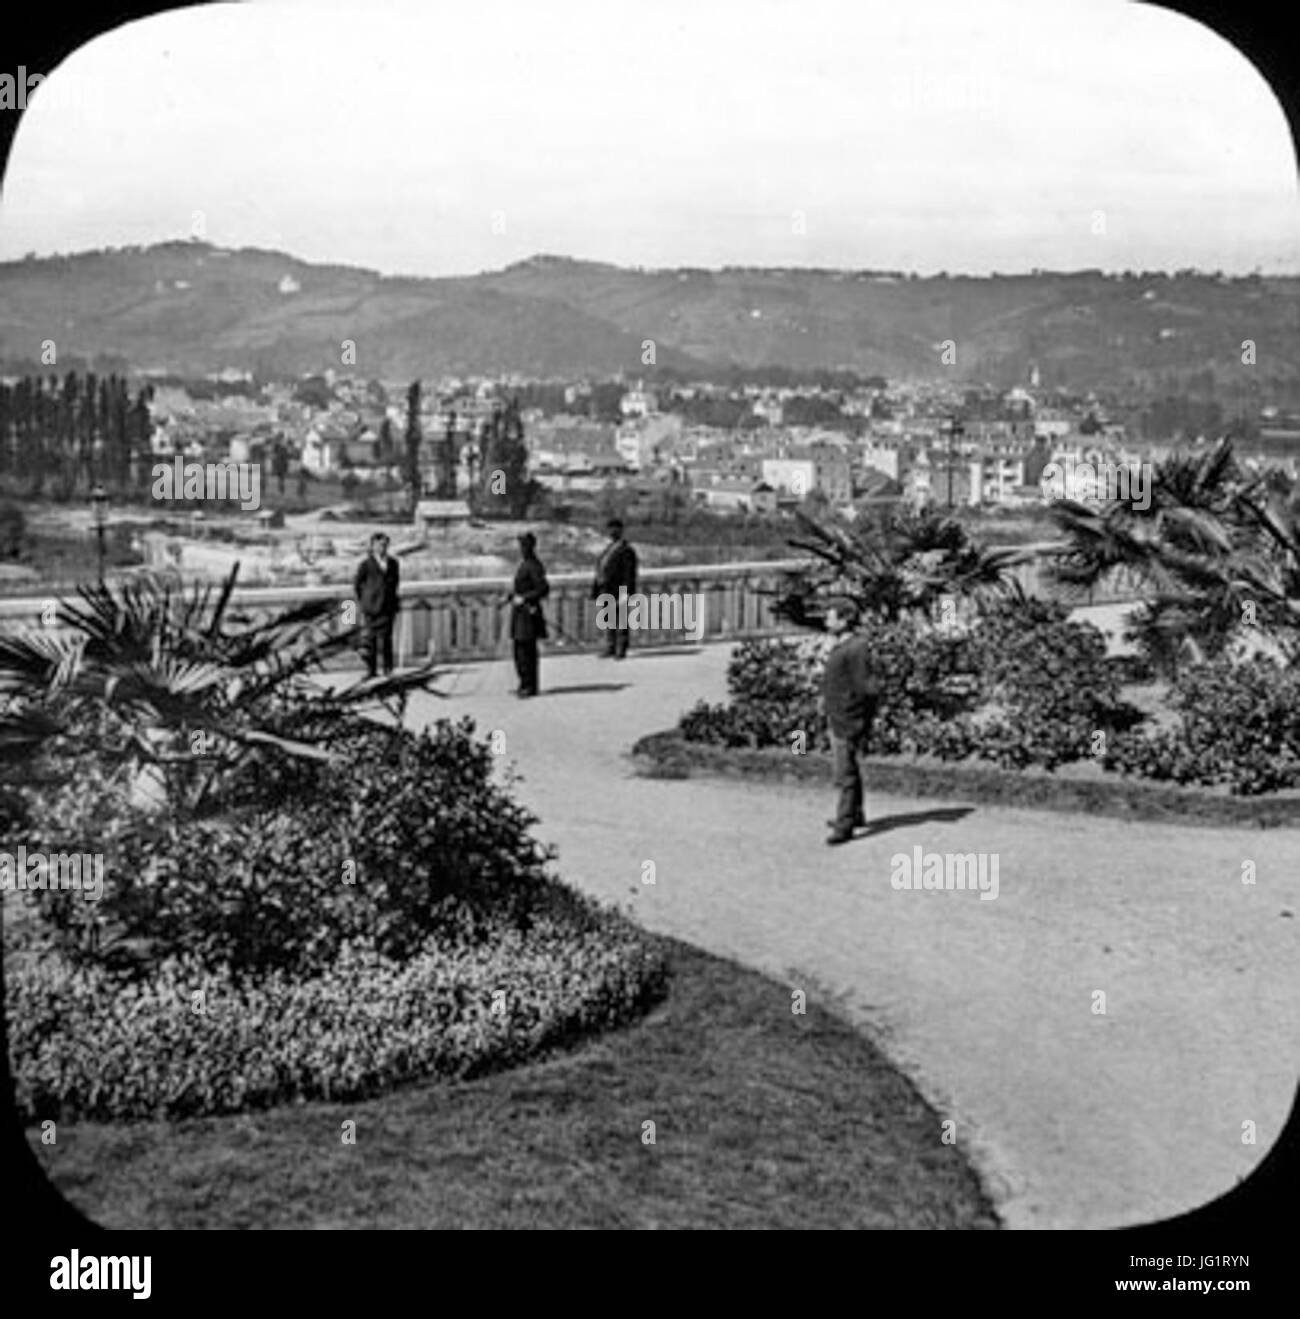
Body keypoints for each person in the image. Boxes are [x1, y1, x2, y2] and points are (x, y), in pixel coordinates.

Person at [821, 596, 881, 845]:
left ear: (845, 620)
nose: (826, 620)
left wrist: (859, 717)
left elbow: (867, 687)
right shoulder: (842, 644)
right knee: (848, 768)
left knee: (845, 774)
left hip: (847, 718)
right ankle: (855, 814)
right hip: (837, 715)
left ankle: (844, 825)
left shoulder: (856, 648)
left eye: (830, 616)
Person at [509, 531, 550, 697]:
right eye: (521, 545)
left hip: (528, 614)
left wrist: (524, 598)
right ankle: (524, 683)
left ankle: (530, 686)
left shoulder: (534, 565)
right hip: (521, 614)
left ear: (531, 546)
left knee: (527, 652)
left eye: (524, 545)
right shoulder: (525, 563)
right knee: (520, 651)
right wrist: (512, 596)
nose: (522, 548)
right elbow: (522, 587)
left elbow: (543, 589)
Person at [354, 532, 400, 677]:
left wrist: (393, 600)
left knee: (387, 639)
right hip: (371, 608)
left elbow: (395, 583)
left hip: (388, 606)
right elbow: (357, 585)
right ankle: (371, 670)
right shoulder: (365, 564)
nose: (383, 548)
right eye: (380, 545)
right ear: (373, 546)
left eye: (385, 545)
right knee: (370, 640)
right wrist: (366, 602)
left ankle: (388, 669)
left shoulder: (393, 563)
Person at [591, 517, 638, 658]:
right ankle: (610, 646)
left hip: (619, 589)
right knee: (609, 618)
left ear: (620, 530)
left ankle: (621, 648)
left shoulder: (626, 550)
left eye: (614, 529)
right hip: (606, 589)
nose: (611, 532)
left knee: (621, 618)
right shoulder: (608, 549)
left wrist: (626, 592)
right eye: (610, 529)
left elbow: (629, 574)